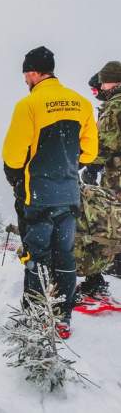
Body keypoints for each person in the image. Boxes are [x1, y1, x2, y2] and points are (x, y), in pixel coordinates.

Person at [2, 46, 98, 338]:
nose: (25, 80)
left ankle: (34, 313)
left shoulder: (29, 105)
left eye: (25, 75)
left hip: (38, 196)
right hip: (69, 195)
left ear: (32, 72)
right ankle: (63, 317)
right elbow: (89, 153)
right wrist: (67, 164)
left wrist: (14, 177)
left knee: (37, 255)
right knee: (65, 254)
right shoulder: (81, 103)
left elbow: (13, 156)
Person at [89, 61, 121, 281]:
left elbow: (106, 141)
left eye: (104, 81)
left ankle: (116, 264)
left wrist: (92, 165)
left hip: (117, 175)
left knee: (114, 216)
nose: (101, 85)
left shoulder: (115, 105)